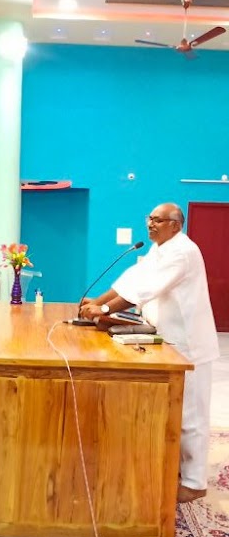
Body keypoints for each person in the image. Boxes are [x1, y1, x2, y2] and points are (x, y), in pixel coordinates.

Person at [80, 202, 220, 503]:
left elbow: (144, 290)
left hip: (190, 343)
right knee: (173, 409)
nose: (151, 224)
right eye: (150, 218)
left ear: (176, 224)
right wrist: (97, 299)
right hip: (169, 339)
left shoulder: (183, 251)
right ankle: (178, 469)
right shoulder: (159, 249)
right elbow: (133, 280)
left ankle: (195, 483)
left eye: (159, 220)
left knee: (191, 415)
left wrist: (102, 309)